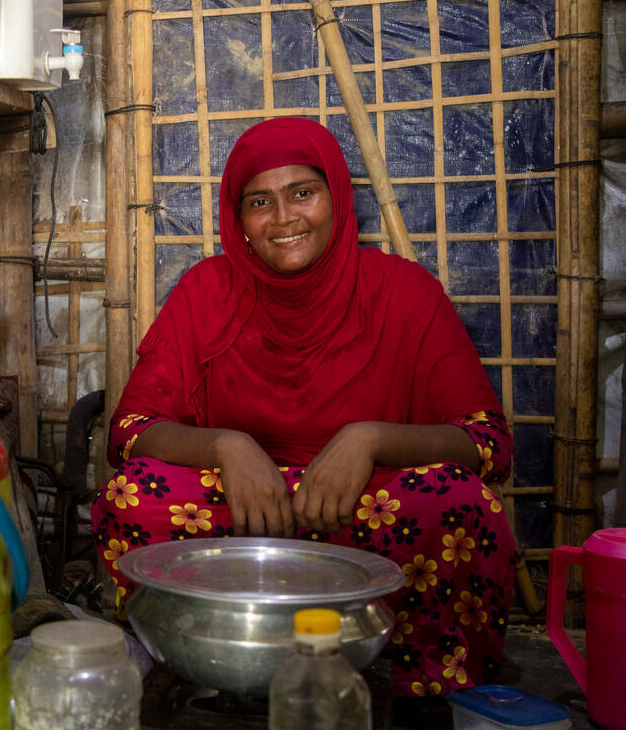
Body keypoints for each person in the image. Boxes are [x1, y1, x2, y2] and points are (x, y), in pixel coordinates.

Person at [92, 117, 516, 698]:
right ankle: (203, 662)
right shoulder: (206, 291)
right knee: (131, 496)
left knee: (464, 503)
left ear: (336, 197)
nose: (283, 218)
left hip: (367, 517)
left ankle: (419, 688)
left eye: (302, 193)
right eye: (259, 202)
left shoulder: (405, 291)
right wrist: (228, 447)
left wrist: (369, 440)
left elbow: (487, 443)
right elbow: (130, 433)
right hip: (242, 521)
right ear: (238, 221)